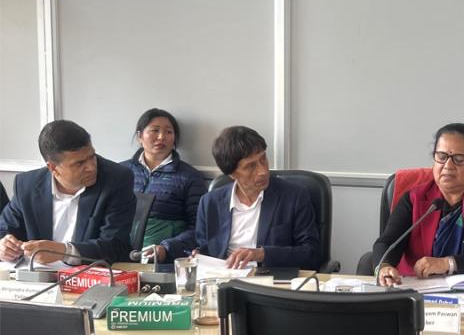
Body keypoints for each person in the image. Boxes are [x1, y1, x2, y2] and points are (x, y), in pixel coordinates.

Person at [373, 123, 464, 287]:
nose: (448, 166)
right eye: (442, 157)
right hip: (417, 290)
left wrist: (448, 263)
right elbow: (387, 242)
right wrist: (384, 267)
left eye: (459, 159)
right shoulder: (414, 198)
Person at [0, 120, 136, 264]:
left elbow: (115, 246)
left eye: (92, 156)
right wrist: (4, 246)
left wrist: (64, 252)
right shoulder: (27, 185)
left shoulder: (116, 179)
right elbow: (4, 230)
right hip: (36, 273)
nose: (91, 167)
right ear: (53, 168)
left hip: (91, 273)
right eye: (80, 163)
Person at [195, 126, 321, 269]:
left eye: (263, 159)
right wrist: (197, 254)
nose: (262, 171)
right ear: (232, 174)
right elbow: (204, 250)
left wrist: (263, 254)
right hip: (225, 277)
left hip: (271, 277)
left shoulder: (294, 196)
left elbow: (312, 254)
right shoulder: (209, 202)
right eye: (251, 166)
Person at [120, 108, 206, 263]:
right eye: (155, 130)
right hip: (118, 254)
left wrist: (167, 248)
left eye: (168, 132)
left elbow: (199, 228)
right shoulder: (121, 172)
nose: (161, 137)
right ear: (140, 136)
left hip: (162, 260)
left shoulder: (190, 177)